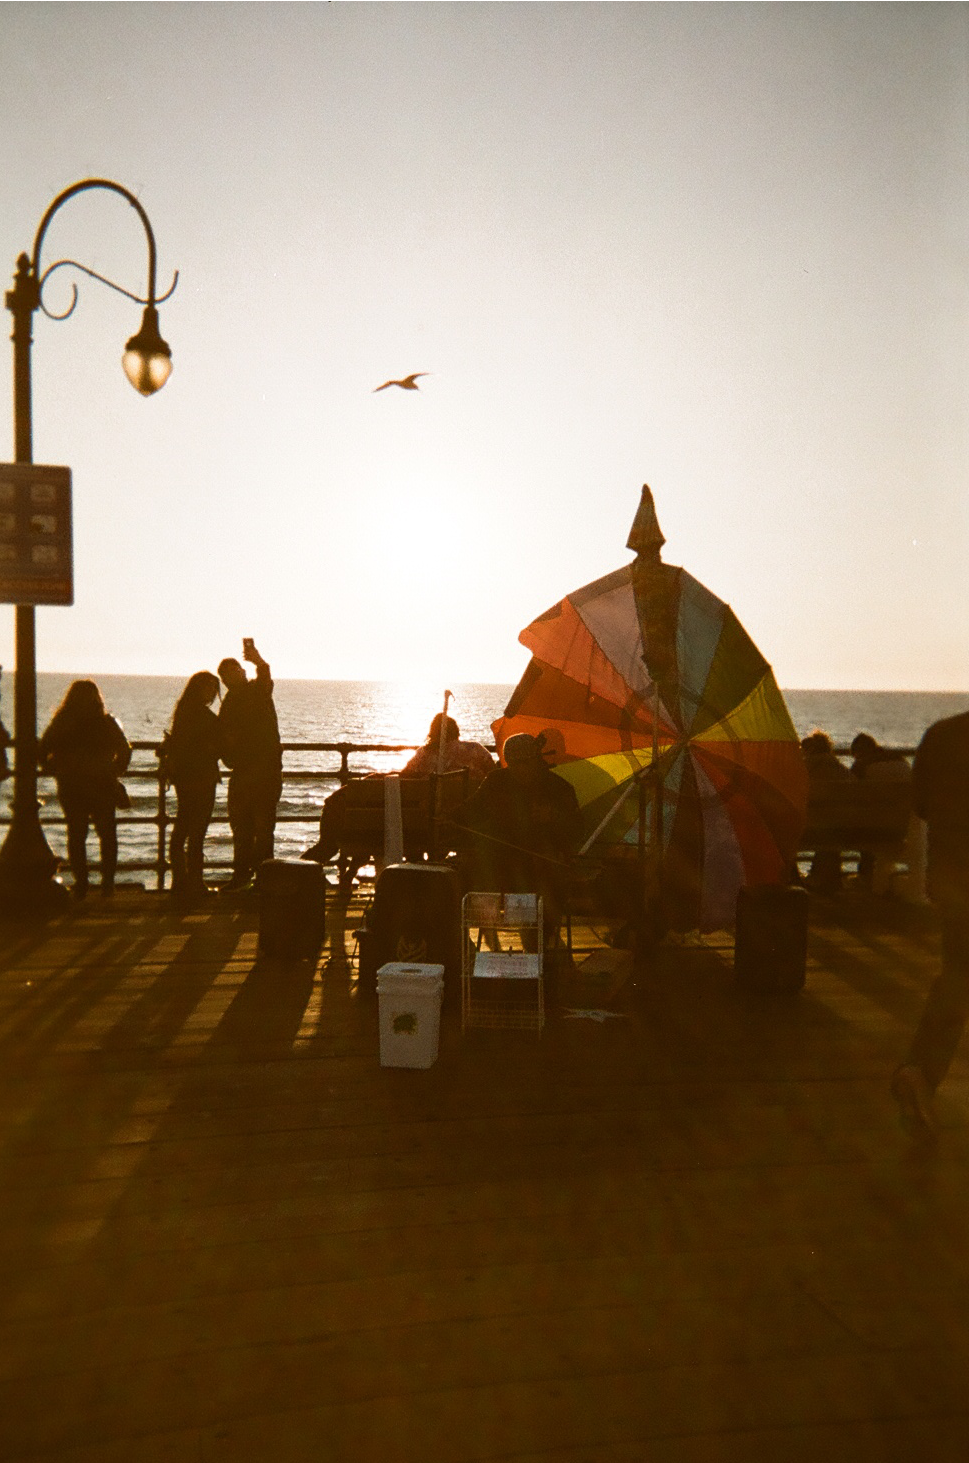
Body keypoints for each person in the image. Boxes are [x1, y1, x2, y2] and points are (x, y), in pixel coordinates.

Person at [891, 708, 969, 1138]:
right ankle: (919, 1071)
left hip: (952, 877)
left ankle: (920, 1070)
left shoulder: (941, 733)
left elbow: (920, 805)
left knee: (957, 977)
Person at [457, 731, 582, 946]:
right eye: (513, 763)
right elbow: (471, 810)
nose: (519, 769)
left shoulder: (558, 787)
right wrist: (448, 817)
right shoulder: (497, 780)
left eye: (524, 763)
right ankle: (484, 942)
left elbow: (576, 829)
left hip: (539, 868)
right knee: (470, 873)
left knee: (537, 883)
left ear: (536, 760)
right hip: (502, 863)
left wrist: (553, 817)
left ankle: (538, 941)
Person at [38, 679, 131, 899]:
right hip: (102, 785)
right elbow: (125, 750)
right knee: (107, 835)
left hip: (72, 785)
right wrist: (115, 770)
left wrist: (55, 769)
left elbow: (43, 750)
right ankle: (108, 884)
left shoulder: (62, 722)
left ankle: (82, 884)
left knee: (77, 835)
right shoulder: (107, 723)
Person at [217, 640, 282, 889]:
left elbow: (224, 737)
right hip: (253, 772)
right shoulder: (241, 697)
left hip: (257, 772)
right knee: (249, 828)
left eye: (232, 673)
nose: (230, 680)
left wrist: (258, 660)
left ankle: (254, 876)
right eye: (227, 676)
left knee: (257, 828)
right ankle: (252, 876)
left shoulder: (254, 692)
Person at [160, 671, 222, 904]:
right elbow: (216, 743)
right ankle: (194, 882)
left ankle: (179, 881)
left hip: (184, 777)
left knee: (182, 827)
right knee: (197, 831)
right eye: (210, 688)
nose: (212, 694)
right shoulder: (203, 716)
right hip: (202, 777)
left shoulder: (183, 712)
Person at [849, 732, 913, 891]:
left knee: (866, 820)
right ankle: (882, 877)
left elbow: (851, 799)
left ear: (858, 752)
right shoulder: (901, 761)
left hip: (874, 829)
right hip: (905, 827)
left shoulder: (861, 766)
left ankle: (865, 875)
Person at [801, 731, 850, 893]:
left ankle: (801, 877)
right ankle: (828, 880)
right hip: (843, 830)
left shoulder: (804, 771)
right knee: (831, 831)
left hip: (808, 830)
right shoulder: (842, 771)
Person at [401, 714, 495, 788]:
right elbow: (494, 773)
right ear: (456, 730)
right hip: (471, 808)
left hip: (432, 809)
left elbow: (404, 775)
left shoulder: (423, 754)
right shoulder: (475, 749)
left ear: (433, 733)